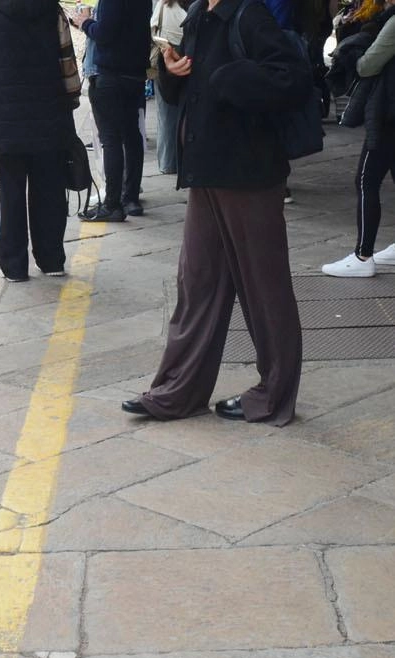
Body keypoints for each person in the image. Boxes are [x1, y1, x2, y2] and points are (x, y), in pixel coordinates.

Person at [122, 0, 310, 426]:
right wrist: (171, 72)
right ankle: (178, 392)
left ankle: (274, 394)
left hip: (248, 172)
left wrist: (232, 77)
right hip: (206, 170)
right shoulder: (198, 17)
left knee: (265, 289)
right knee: (197, 283)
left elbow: (293, 79)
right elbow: (188, 90)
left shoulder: (249, 15)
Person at [0, 0, 79, 281]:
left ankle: (13, 266)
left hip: (6, 118)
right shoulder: (52, 9)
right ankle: (52, 260)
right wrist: (71, 97)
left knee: (10, 193)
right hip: (49, 113)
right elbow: (67, 59)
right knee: (50, 190)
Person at [323, 0, 395, 276]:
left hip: (387, 112)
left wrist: (354, 53)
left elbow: (367, 66)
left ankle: (363, 256)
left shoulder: (393, 23)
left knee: (366, 180)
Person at [72, 0, 153, 221]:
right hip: (135, 74)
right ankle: (131, 198)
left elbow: (105, 32)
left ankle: (112, 204)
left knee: (111, 139)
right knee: (132, 135)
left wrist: (85, 22)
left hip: (110, 74)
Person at [149, 0, 188, 174]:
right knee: (170, 110)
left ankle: (169, 162)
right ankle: (172, 161)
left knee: (166, 111)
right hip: (175, 46)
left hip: (168, 46)